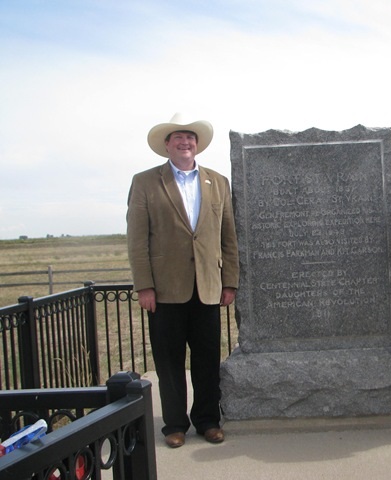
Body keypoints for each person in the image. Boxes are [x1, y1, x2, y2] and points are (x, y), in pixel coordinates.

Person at [127, 113, 239, 448]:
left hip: (207, 287)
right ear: (167, 145)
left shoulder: (217, 181)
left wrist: (229, 281)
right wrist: (144, 286)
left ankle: (207, 421)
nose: (185, 142)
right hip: (164, 290)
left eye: (190, 138)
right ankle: (175, 424)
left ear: (197, 144)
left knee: (207, 359)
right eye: (178, 138)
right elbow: (137, 239)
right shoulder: (145, 181)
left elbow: (228, 236)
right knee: (169, 361)